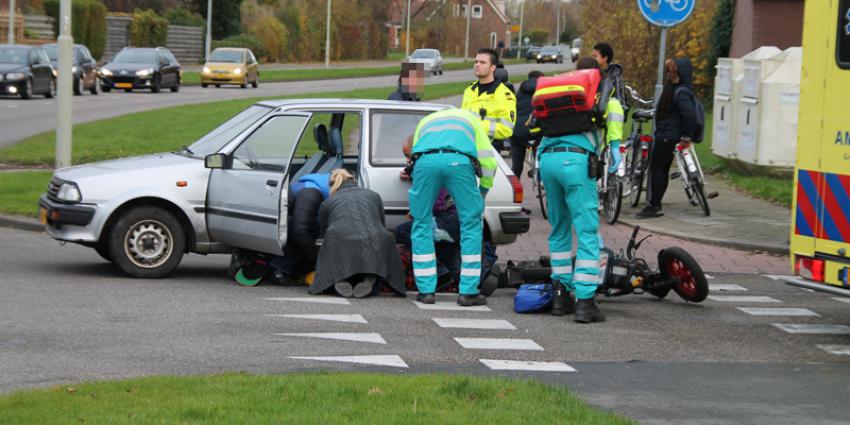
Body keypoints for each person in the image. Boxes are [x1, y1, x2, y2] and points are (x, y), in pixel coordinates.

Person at [534, 62, 613, 324]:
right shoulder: (597, 96)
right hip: (577, 163)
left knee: (559, 229)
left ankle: (560, 295)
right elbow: (611, 132)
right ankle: (586, 302)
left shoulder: (557, 95)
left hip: (548, 160)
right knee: (587, 231)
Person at [407, 108, 497, 306]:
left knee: (421, 223)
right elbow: (488, 159)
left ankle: (426, 291)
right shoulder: (471, 119)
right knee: (471, 226)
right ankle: (468, 292)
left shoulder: (426, 120)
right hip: (459, 162)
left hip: (425, 162)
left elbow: (414, 154)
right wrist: (482, 191)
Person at [309, 169, 406, 297]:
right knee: (379, 237)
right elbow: (381, 222)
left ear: (333, 185)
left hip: (340, 236)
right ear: (354, 181)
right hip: (378, 236)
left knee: (331, 238)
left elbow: (323, 230)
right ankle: (370, 276)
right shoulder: (374, 195)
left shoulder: (328, 202)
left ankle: (338, 279)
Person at [228, 173, 330, 287]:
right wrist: (316, 258)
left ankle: (255, 261)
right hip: (271, 229)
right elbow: (299, 232)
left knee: (303, 226)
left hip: (260, 228)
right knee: (309, 227)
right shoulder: (311, 193)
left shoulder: (307, 185)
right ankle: (279, 270)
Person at [637, 57, 698, 219]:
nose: (670, 75)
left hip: (668, 135)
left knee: (657, 169)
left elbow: (689, 115)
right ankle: (655, 204)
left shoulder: (680, 91)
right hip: (666, 134)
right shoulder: (676, 88)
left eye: (673, 72)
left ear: (681, 74)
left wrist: (687, 135)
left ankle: (654, 205)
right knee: (661, 170)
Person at [461, 48, 516, 151]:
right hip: (467, 148)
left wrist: (477, 127)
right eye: (476, 62)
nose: (477, 65)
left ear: (492, 68)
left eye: (482, 62)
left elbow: (507, 129)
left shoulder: (504, 95)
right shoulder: (469, 91)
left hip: (489, 150)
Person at [509, 70, 544, 178]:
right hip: (536, 128)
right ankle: (539, 175)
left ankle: (514, 186)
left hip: (518, 129)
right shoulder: (543, 91)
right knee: (540, 150)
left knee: (517, 163)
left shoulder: (520, 92)